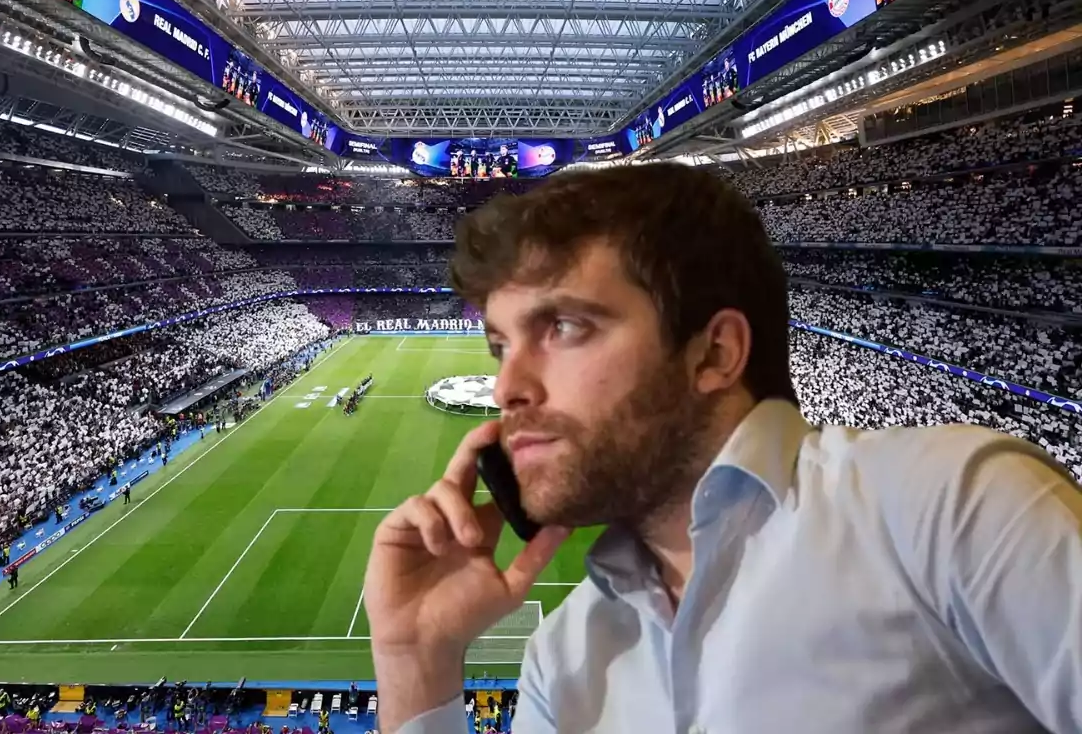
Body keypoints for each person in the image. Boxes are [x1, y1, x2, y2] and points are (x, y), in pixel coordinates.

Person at [362, 164, 1082, 733]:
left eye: (566, 328)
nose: (507, 387)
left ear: (715, 352)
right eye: (499, 346)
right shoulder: (567, 657)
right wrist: (416, 662)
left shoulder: (946, 508)